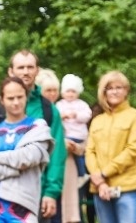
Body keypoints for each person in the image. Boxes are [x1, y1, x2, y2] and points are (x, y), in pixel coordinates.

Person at [0, 50, 66, 222]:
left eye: (30, 67)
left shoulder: (48, 110)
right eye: (21, 67)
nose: (25, 72)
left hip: (33, 195)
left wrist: (51, 192)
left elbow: (57, 155)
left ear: (37, 70)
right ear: (11, 71)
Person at [0, 77, 54, 223]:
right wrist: (15, 169)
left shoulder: (38, 128)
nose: (16, 102)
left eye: (20, 97)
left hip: (23, 206)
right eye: (11, 98)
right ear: (2, 99)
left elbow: (29, 157)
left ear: (26, 96)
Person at [85, 71, 136, 223]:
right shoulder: (97, 120)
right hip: (100, 188)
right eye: (109, 88)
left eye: (119, 87)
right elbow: (90, 151)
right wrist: (99, 181)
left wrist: (105, 173)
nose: (114, 91)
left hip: (126, 187)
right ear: (103, 92)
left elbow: (133, 151)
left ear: (126, 90)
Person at [57, 74, 93, 223]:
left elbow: (87, 115)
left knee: (80, 156)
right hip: (66, 136)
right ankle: (81, 174)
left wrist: (76, 115)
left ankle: (82, 174)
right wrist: (63, 116)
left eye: (73, 91)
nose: (70, 95)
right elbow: (56, 116)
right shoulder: (60, 105)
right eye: (67, 91)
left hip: (79, 136)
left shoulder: (81, 104)